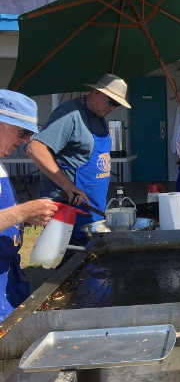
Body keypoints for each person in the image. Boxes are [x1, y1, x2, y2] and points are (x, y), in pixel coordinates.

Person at [28, 74, 130, 245]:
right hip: (67, 212)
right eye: (111, 102)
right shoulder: (70, 114)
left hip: (92, 211)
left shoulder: (98, 118)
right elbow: (36, 148)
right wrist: (68, 185)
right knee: (69, 259)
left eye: (117, 105)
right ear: (96, 92)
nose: (113, 108)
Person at [0, 90, 58, 321]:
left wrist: (25, 217)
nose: (25, 141)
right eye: (23, 132)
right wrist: (22, 212)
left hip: (8, 279)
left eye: (30, 135)